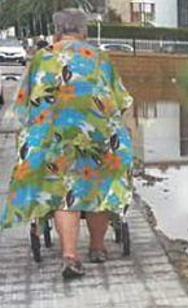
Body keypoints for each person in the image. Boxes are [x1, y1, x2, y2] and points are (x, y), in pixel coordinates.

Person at [1, 9, 134, 280]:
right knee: (99, 184)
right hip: (98, 138)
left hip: (53, 140)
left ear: (57, 31)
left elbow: (25, 106)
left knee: (63, 190)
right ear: (83, 32)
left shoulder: (41, 58)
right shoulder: (100, 58)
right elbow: (120, 103)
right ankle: (97, 248)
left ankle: (70, 256)